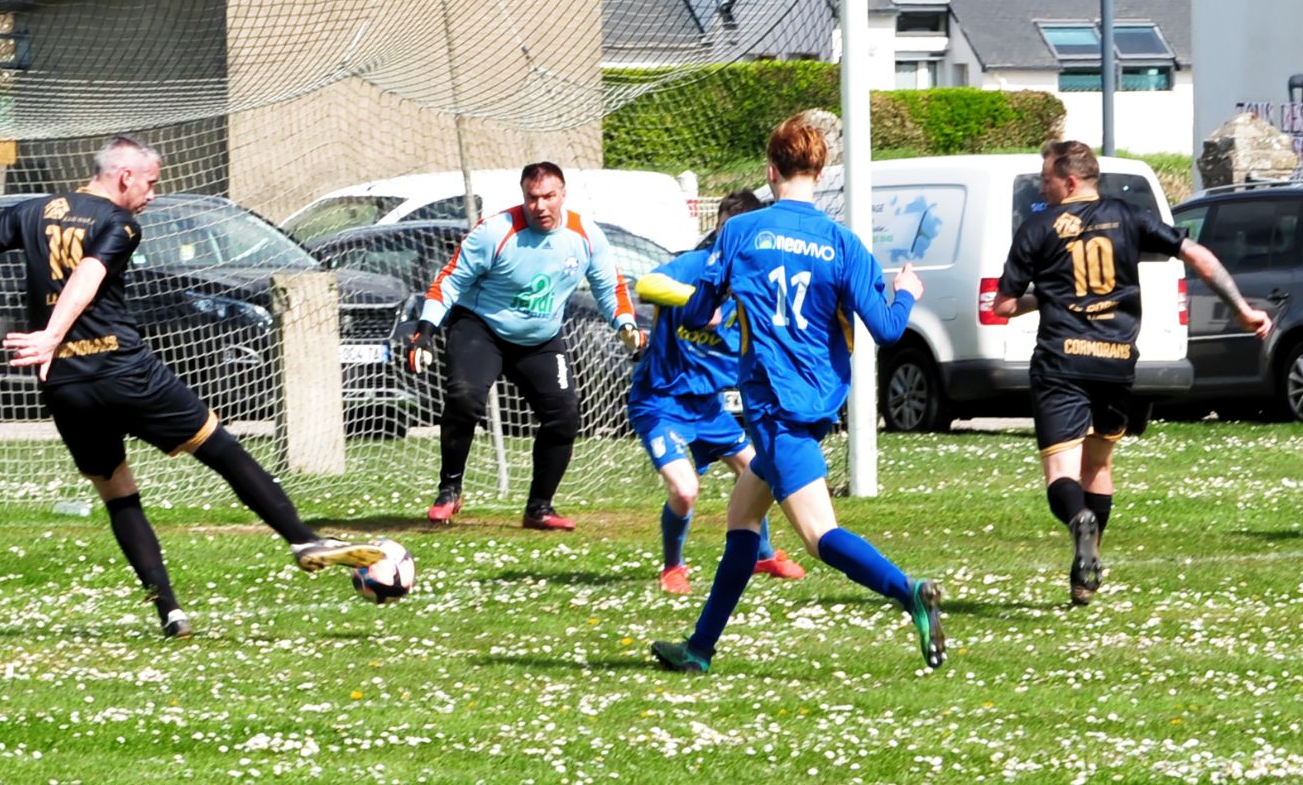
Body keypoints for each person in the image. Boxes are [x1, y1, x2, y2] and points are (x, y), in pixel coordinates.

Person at [0, 136, 388, 640]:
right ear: (124, 177)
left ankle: (169, 610)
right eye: (150, 183)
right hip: (123, 370)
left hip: (66, 384)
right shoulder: (119, 224)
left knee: (119, 493)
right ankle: (300, 538)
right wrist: (50, 333)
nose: (152, 194)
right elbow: (89, 277)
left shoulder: (32, 210)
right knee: (222, 450)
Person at [651, 114, 945, 674]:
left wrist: (688, 298)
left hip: (772, 409)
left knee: (818, 535)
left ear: (770, 171)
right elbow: (885, 328)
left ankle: (909, 592)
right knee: (741, 520)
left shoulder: (741, 232)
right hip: (813, 403)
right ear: (820, 169)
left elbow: (696, 307)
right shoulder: (843, 243)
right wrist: (905, 292)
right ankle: (699, 649)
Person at [992, 140, 1271, 605]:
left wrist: (1047, 295)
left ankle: (1078, 521)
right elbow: (1197, 255)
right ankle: (1086, 572)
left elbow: (1003, 304)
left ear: (1071, 180)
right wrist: (1241, 309)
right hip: (1116, 361)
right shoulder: (1128, 215)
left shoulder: (1037, 227)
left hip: (1061, 360)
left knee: (1061, 471)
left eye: (1047, 180)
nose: (1043, 188)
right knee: (1098, 463)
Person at [400, 162, 644, 530]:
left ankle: (539, 508)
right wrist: (425, 330)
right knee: (464, 398)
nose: (540, 206)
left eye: (548, 197)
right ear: (523, 197)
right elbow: (448, 281)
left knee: (565, 417)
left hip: (540, 340)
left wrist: (625, 323)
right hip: (481, 328)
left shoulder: (586, 236)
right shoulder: (494, 232)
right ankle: (449, 490)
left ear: (563, 195)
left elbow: (610, 287)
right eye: (532, 198)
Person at [629, 189, 806, 594]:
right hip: (660, 403)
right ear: (717, 230)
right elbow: (648, 283)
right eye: (725, 232)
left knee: (759, 471)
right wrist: (698, 302)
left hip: (709, 410)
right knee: (686, 489)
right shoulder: (696, 267)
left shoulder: (757, 285)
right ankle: (673, 567)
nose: (731, 243)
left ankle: (762, 557)